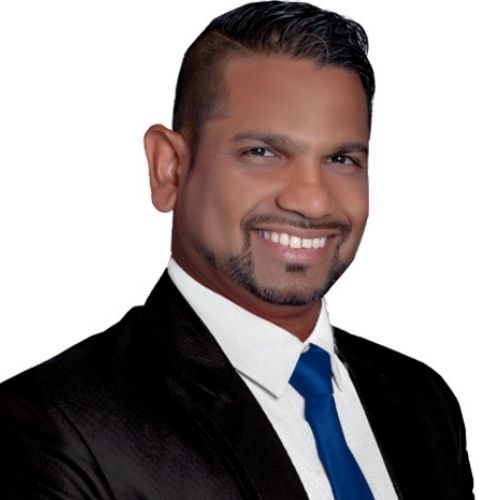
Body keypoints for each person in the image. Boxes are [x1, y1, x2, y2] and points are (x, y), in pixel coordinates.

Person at [0, 1, 474, 498]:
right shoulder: (52, 430)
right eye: (262, 152)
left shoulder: (423, 403)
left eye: (341, 158)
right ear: (169, 169)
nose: (313, 201)